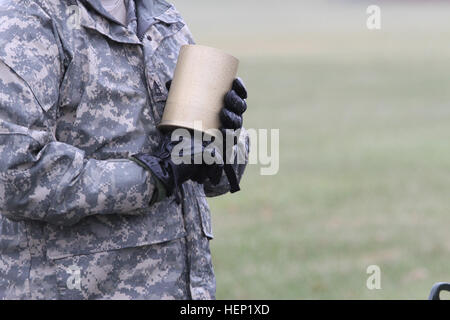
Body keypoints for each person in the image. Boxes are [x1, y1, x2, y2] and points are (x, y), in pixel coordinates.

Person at [0, 0, 249, 300]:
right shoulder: (28, 16)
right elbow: (16, 174)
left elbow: (205, 178)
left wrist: (223, 144)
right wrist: (153, 175)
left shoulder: (160, 14)